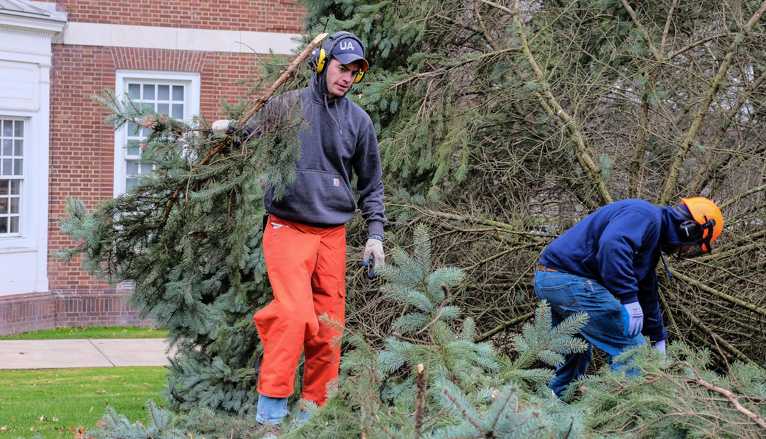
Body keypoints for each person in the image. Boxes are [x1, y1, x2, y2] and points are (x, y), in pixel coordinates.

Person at [212, 31, 386, 433]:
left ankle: (314, 417)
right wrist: (228, 130)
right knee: (292, 316)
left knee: (329, 328)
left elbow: (371, 185)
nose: (347, 78)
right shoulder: (287, 108)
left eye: (355, 73)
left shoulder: (359, 122)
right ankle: (270, 418)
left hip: (333, 236)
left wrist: (374, 233)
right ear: (322, 63)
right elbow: (251, 134)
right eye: (342, 68)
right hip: (287, 226)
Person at [533, 197, 723, 398]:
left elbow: (646, 287)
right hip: (569, 280)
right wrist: (627, 298)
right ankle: (625, 418)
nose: (686, 250)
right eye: (692, 244)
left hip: (549, 279)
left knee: (577, 353)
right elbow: (613, 246)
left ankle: (551, 409)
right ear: (689, 229)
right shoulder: (644, 215)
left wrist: (658, 335)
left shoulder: (651, 236)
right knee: (633, 351)